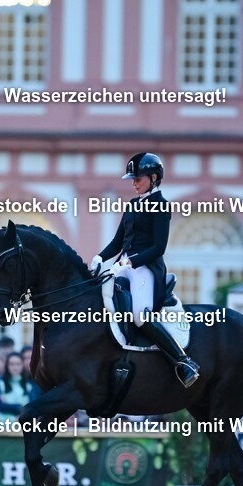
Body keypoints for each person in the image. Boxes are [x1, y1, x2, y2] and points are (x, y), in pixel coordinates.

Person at [92, 152, 199, 388]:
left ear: (153, 177)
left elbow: (159, 247)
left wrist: (131, 262)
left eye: (138, 178)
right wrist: (100, 257)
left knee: (140, 315)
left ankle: (183, 361)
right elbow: (118, 241)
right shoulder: (132, 205)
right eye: (133, 178)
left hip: (145, 268)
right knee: (97, 295)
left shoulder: (161, 205)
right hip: (124, 265)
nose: (134, 183)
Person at [0, 352, 41, 423]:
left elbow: (32, 407)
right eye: (11, 364)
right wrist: (19, 407)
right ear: (7, 366)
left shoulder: (28, 385)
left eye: (18, 364)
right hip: (3, 425)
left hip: (22, 425)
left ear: (22, 365)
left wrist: (10, 406)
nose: (15, 367)